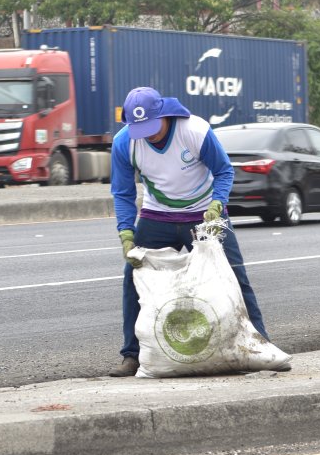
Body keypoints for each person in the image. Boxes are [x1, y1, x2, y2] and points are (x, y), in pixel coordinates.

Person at [108, 86, 287, 377]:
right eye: (140, 128)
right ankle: (132, 355)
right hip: (158, 215)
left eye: (152, 127)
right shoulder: (124, 142)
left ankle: (259, 344)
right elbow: (123, 192)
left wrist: (218, 205)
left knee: (234, 275)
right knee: (133, 278)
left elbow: (224, 171)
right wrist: (126, 233)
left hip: (205, 214)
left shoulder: (194, 130)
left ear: (164, 114)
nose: (148, 134)